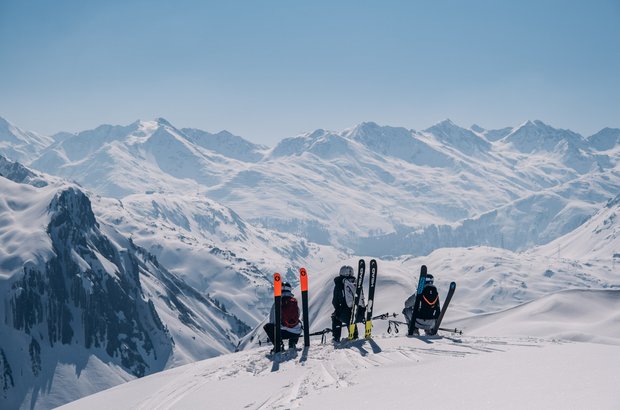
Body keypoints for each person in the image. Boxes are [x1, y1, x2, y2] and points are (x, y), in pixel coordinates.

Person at [263, 282, 302, 350]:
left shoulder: (277, 302)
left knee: (267, 326)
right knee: (299, 324)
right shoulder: (294, 301)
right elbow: (298, 315)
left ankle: (279, 344)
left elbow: (272, 320)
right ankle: (292, 343)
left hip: (282, 333)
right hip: (296, 333)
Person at [331, 265, 366, 342]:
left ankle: (336, 338)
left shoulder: (339, 284)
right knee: (351, 312)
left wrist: (337, 309)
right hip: (360, 314)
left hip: (347, 316)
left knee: (336, 316)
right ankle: (354, 334)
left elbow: (335, 302)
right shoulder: (356, 283)